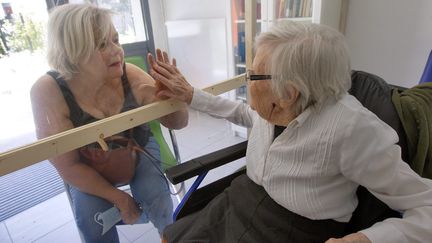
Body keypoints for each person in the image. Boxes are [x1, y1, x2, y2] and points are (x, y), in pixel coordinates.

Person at [147, 21, 432, 243]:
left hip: (291, 229)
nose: (246, 80)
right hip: (242, 198)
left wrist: (368, 238)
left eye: (252, 75)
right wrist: (191, 95)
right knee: (169, 237)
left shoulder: (353, 130)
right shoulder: (278, 108)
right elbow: (246, 114)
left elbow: (426, 207)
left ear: (288, 93)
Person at [30, 4, 188, 243]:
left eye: (116, 39)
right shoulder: (48, 91)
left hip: (137, 149)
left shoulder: (129, 74)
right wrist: (118, 197)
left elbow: (178, 123)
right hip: (86, 166)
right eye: (102, 44)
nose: (117, 51)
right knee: (91, 219)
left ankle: (170, 237)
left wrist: (176, 100)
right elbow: (67, 166)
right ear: (73, 52)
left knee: (157, 196)